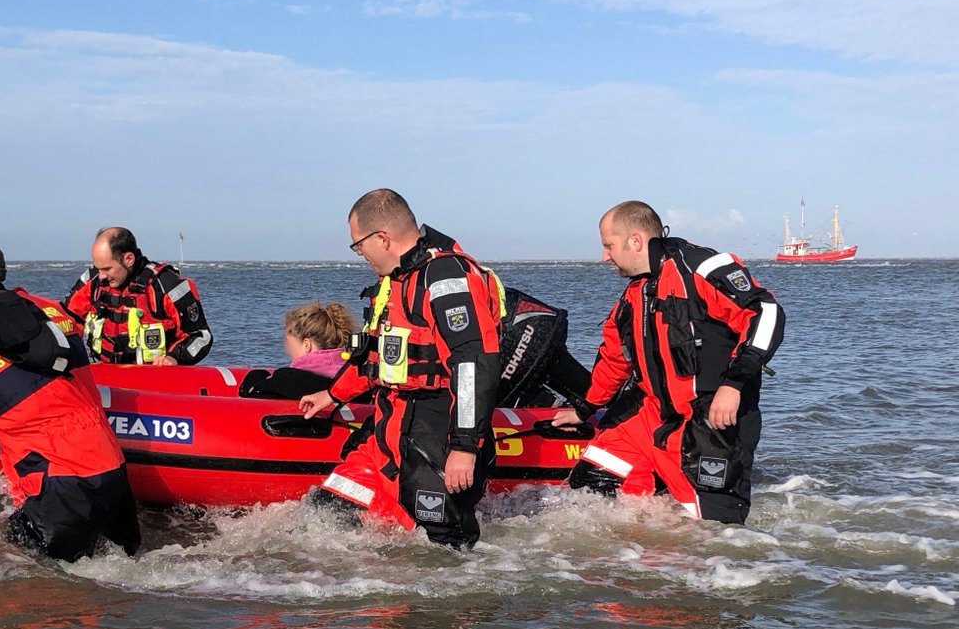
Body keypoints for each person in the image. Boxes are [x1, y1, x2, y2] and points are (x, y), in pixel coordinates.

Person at [552, 201, 785, 523]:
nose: (604, 256)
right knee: (590, 486)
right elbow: (614, 358)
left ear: (635, 241)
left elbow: (765, 312)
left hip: (710, 418)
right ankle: (628, 559)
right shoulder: (635, 294)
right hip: (653, 412)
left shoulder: (701, 267)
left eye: (608, 246)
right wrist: (584, 408)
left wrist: (734, 384)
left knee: (711, 532)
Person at [299, 189, 503, 549]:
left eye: (358, 245)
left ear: (382, 237)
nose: (359, 253)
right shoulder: (396, 280)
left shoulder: (444, 277)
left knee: (444, 548)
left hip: (435, 429)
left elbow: (473, 362)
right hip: (388, 425)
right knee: (323, 516)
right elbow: (377, 354)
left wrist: (465, 446)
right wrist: (331, 394)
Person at [0, 231, 140, 561]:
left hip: (59, 483)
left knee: (27, 580)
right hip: (111, 471)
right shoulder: (47, 307)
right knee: (122, 573)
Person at [63, 226, 212, 366]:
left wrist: (173, 358)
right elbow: (66, 319)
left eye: (107, 268)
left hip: (151, 378)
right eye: (98, 267)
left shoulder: (166, 285)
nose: (101, 276)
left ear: (128, 259)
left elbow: (201, 336)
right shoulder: (93, 281)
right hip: (102, 373)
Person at [285, 302, 356, 377]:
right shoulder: (351, 371)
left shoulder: (294, 379)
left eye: (288, 342)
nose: (286, 348)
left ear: (306, 345)